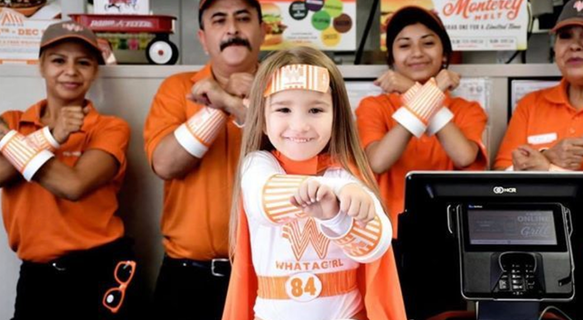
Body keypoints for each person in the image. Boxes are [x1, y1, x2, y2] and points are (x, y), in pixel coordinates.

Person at [222, 46, 406, 320]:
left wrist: (339, 213)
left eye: (316, 110)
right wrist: (338, 197)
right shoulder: (257, 166)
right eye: (283, 108)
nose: (299, 125)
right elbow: (265, 202)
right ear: (261, 118)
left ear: (336, 116)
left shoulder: (346, 173)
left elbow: (375, 246)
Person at [494, 1, 583, 319]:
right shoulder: (532, 105)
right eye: (565, 36)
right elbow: (498, 182)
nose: (574, 45)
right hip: (540, 268)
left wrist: (549, 171)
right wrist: (547, 159)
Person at [0, 21, 134, 319]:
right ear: (41, 66)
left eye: (83, 62)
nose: (71, 71)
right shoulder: (12, 121)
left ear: (95, 71)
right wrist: (50, 135)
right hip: (35, 275)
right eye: (59, 60)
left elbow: (73, 186)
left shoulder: (111, 127)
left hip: (98, 269)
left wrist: (10, 141)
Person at [142, 0, 265, 318]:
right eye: (219, 20)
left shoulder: (285, 88)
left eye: (242, 18)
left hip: (268, 272)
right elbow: (166, 164)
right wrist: (216, 106)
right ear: (202, 37)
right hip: (187, 277)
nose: (232, 29)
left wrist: (230, 100)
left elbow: (299, 159)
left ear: (263, 31)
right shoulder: (178, 89)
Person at [356, 6, 487, 239]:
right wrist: (427, 93)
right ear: (392, 58)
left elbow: (464, 156)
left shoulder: (468, 110)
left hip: (451, 234)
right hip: (387, 233)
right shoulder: (373, 106)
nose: (417, 53)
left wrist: (415, 92)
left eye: (428, 43)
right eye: (404, 45)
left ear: (445, 54)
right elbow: (378, 161)